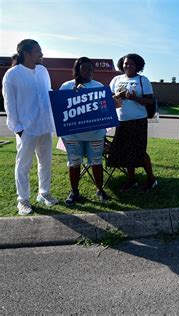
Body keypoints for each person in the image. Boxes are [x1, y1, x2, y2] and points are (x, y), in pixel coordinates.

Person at [2, 39, 58, 215]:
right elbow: (9, 105)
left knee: (45, 162)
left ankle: (44, 193)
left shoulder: (43, 71)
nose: (42, 54)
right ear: (26, 53)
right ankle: (23, 200)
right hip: (26, 128)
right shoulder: (12, 75)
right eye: (38, 51)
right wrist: (18, 129)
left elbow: (48, 95)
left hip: (45, 125)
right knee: (23, 165)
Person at [59, 57, 109, 205]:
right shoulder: (66, 86)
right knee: (74, 163)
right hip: (73, 135)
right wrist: (71, 96)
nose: (88, 71)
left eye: (90, 68)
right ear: (77, 69)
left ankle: (100, 189)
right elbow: (59, 109)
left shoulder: (98, 86)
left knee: (97, 162)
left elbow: (105, 108)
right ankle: (74, 192)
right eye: (84, 68)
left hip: (95, 134)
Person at [109, 53, 157, 192]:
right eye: (125, 63)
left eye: (131, 64)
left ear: (137, 66)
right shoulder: (116, 79)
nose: (128, 66)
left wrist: (134, 97)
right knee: (126, 151)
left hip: (138, 121)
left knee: (139, 151)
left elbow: (149, 101)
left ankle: (151, 179)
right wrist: (116, 97)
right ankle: (131, 180)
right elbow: (110, 97)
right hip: (121, 121)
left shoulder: (143, 80)